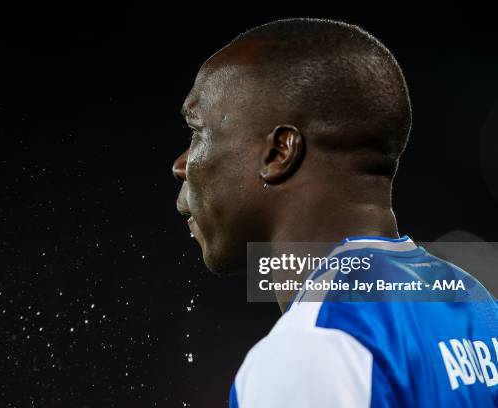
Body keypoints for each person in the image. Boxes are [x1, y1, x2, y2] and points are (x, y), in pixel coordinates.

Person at [172, 18, 498, 407]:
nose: (181, 164)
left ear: (278, 153)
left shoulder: (314, 350)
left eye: (197, 131)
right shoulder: (477, 306)